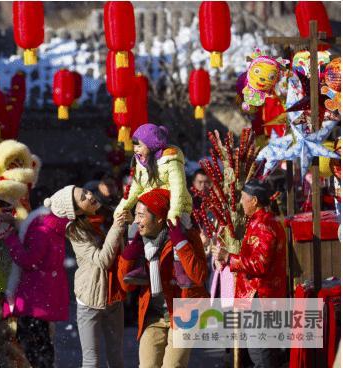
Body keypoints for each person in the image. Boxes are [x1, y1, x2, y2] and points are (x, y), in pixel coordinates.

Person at [117, 188, 209, 368]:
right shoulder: (139, 241)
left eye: (141, 215)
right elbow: (125, 287)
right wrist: (130, 253)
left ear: (159, 218)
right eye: (136, 215)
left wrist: (180, 243)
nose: (136, 220)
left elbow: (199, 276)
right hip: (153, 314)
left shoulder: (187, 235)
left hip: (184, 311)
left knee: (172, 365)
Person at [211, 179, 287, 368]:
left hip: (260, 298)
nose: (241, 202)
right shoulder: (258, 222)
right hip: (257, 297)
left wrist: (230, 257)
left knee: (261, 354)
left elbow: (260, 264)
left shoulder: (264, 225)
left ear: (254, 200)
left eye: (243, 198)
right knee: (260, 352)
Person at [1, 185, 74, 368]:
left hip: (35, 295)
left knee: (33, 343)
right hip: (45, 291)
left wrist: (11, 239)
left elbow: (29, 260)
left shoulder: (41, 226)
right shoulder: (52, 223)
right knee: (41, 342)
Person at [67, 186, 129, 368]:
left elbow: (121, 250)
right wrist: (117, 227)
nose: (89, 195)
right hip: (90, 300)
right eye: (82, 197)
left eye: (86, 191)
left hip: (113, 296)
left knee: (116, 355)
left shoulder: (107, 216)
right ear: (76, 210)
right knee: (91, 360)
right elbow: (103, 260)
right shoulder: (76, 230)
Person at [115, 123, 193, 227]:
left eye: (139, 145)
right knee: (133, 231)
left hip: (174, 208)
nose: (135, 149)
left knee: (174, 238)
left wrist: (174, 213)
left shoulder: (170, 159)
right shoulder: (141, 161)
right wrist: (122, 208)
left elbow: (178, 188)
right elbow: (136, 187)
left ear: (151, 145)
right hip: (151, 210)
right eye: (134, 145)